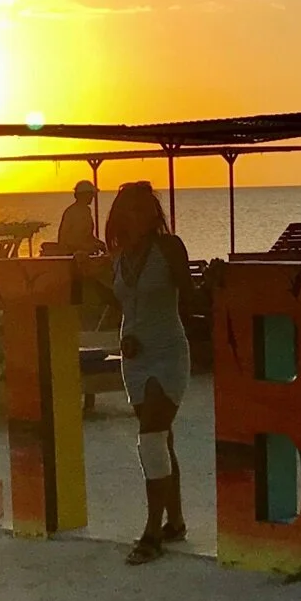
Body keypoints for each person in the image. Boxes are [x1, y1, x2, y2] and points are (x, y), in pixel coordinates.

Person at [107, 180, 192, 566]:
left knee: (152, 440)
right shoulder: (120, 256)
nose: (136, 216)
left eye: (143, 209)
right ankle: (175, 521)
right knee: (161, 439)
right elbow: (123, 305)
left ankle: (151, 532)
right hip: (134, 359)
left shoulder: (169, 248)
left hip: (168, 353)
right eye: (129, 210)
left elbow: (191, 297)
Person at [54, 180, 101, 256]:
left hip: (86, 254)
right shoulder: (72, 212)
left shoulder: (87, 211)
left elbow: (88, 235)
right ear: (83, 195)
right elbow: (67, 239)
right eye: (90, 194)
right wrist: (89, 246)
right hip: (72, 256)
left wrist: (100, 243)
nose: (92, 197)